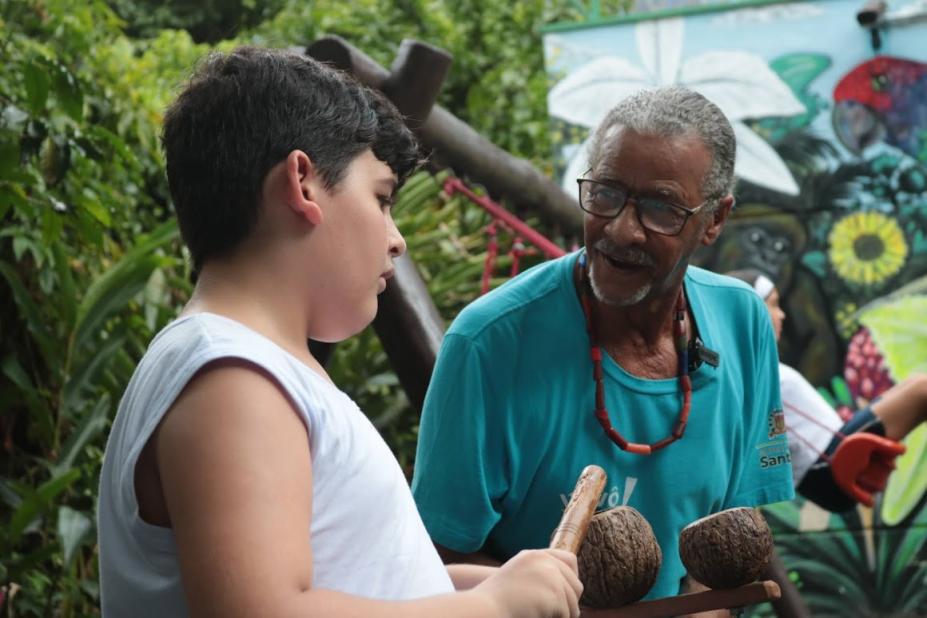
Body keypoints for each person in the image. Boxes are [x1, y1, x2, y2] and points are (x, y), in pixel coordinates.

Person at [96, 46, 584, 618]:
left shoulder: (256, 366)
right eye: (381, 198)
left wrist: (490, 586)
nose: (396, 238)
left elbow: (369, 581)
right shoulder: (231, 379)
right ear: (302, 183)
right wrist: (493, 608)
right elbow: (265, 610)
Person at [411, 86, 795, 603]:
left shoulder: (743, 322)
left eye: (661, 209)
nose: (622, 229)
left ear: (716, 219)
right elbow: (437, 554)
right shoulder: (488, 344)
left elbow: (728, 533)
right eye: (605, 193)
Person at [726, 268, 927, 512]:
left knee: (914, 383)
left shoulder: (760, 366)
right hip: (829, 466)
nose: (782, 315)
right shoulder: (747, 370)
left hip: (834, 451)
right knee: (921, 389)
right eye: (774, 305)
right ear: (752, 313)